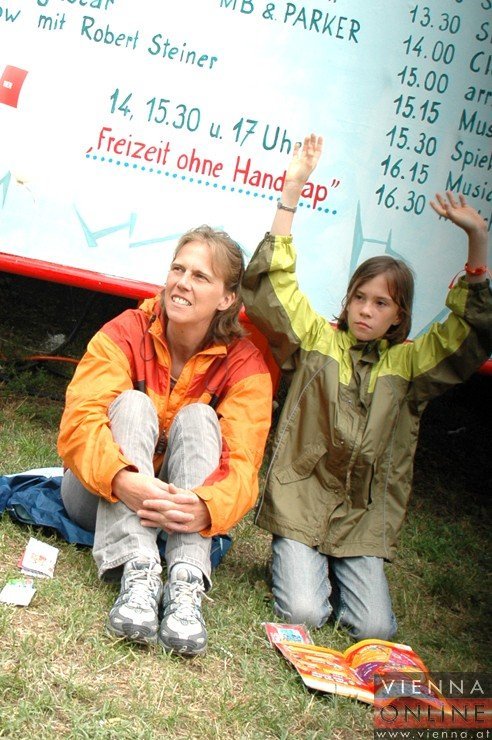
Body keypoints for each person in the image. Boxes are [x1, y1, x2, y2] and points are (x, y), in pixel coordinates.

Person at [242, 134, 492, 641]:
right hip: (302, 503)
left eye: (381, 303)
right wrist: (292, 192)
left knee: (374, 627)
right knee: (304, 614)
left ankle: (332, 569)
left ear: (399, 314)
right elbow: (273, 288)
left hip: (362, 518)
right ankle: (300, 562)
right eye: (359, 297)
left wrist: (478, 242)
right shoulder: (317, 343)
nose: (366, 310)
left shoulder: (410, 366)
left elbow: (468, 334)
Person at [58, 225, 272, 656]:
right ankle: (138, 572)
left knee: (200, 416)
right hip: (97, 496)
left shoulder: (246, 364)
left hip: (177, 512)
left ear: (227, 298)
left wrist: (207, 506)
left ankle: (185, 582)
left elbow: (243, 463)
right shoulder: (126, 330)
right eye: (178, 269)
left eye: (200, 276)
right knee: (134, 404)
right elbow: (79, 422)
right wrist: (122, 479)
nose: (182, 283)